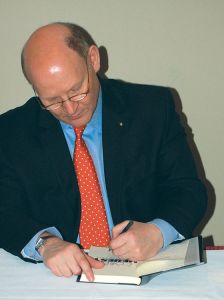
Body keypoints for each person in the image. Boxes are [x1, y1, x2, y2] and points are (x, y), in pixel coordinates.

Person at [0, 22, 207, 281]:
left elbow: (188, 189)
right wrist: (45, 243)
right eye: (52, 100)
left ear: (93, 60)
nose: (70, 109)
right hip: (56, 278)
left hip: (145, 271)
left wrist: (157, 232)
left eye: (77, 91)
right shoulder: (11, 131)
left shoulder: (151, 109)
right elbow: (5, 210)